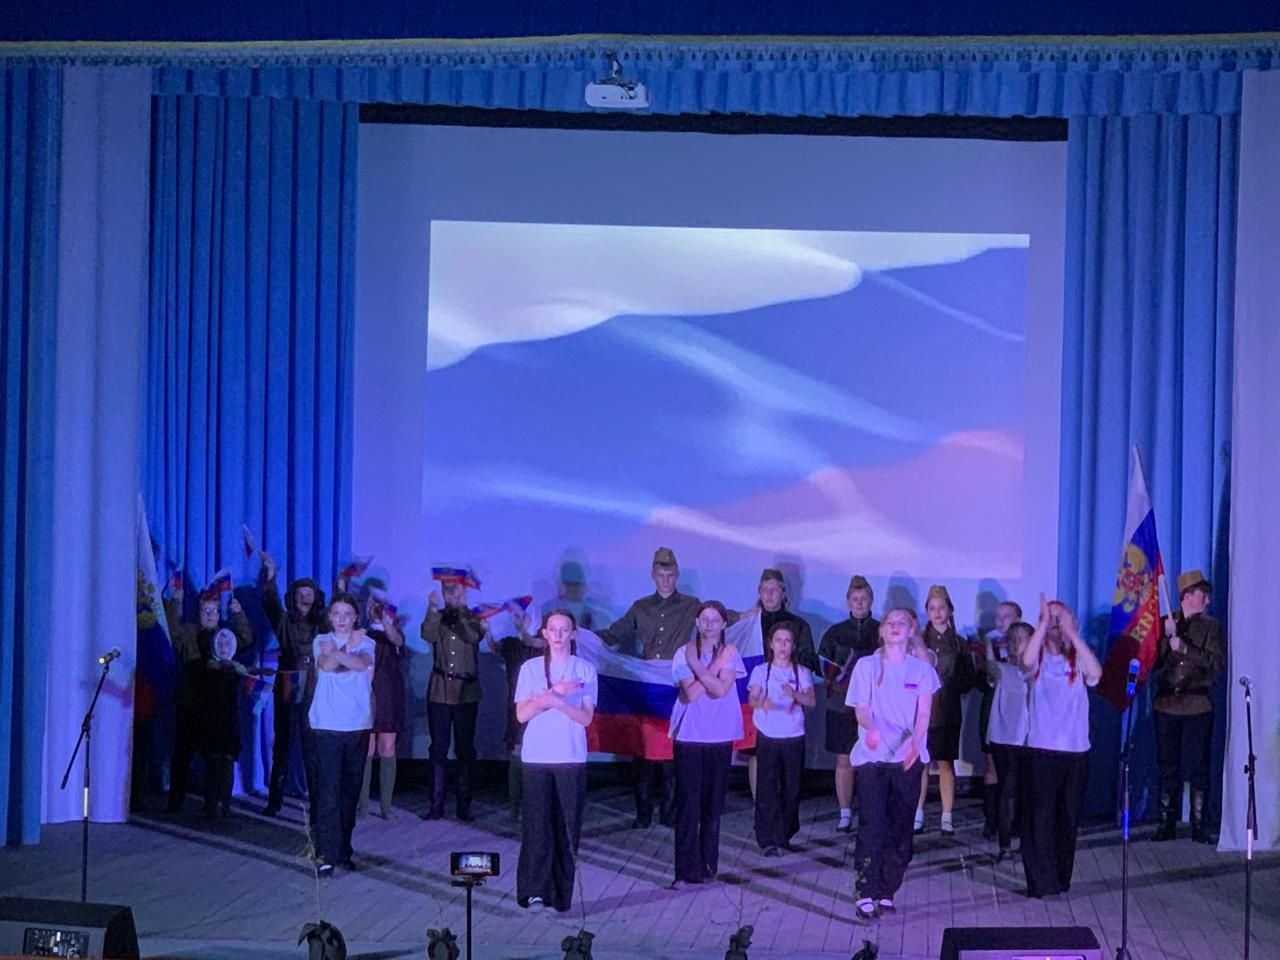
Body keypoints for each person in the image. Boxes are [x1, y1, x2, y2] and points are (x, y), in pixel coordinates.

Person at [596, 547, 701, 829]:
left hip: (674, 684)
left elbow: (718, 617)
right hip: (646, 685)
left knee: (670, 751)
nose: (665, 580)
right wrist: (582, 636)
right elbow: (614, 634)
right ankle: (642, 814)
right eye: (660, 574)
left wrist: (750, 614)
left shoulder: (692, 605)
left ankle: (669, 813)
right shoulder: (640, 607)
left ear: (677, 575)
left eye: (670, 574)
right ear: (652, 575)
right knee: (642, 751)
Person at [847, 607, 940, 919]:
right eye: (890, 622)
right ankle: (865, 891)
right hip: (873, 759)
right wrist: (871, 729)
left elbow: (924, 713)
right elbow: (861, 708)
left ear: (912, 630)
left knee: (901, 828)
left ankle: (887, 891)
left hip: (907, 759)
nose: (895, 626)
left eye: (902, 622)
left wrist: (916, 741)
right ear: (882, 630)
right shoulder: (867, 666)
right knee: (872, 824)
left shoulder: (922, 670)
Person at [514, 610, 598, 912]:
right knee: (536, 827)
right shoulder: (530, 668)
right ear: (545, 634)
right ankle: (533, 891)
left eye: (565, 629)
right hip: (536, 756)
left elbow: (585, 718)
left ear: (573, 633)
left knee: (566, 829)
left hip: (570, 756)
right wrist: (550, 695)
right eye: (553, 629)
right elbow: (522, 714)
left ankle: (561, 895)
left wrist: (557, 701)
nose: (559, 635)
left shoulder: (584, 669)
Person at [1019, 595, 1102, 898]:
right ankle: (1039, 882)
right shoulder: (1037, 655)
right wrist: (1043, 624)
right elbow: (1025, 661)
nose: (1055, 623)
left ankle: (1060, 877)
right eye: (1050, 618)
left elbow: (1096, 674)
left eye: (1060, 618)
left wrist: (1072, 634)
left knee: (1067, 819)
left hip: (1075, 750)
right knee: (1039, 818)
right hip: (1041, 749)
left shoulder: (1078, 657)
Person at [669, 600, 746, 888]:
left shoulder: (730, 653)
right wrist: (711, 665)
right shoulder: (683, 653)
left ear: (724, 624)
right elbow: (690, 695)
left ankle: (707, 865)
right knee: (688, 804)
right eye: (705, 619)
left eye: (715, 620)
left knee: (712, 805)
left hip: (720, 735)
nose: (710, 624)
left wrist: (701, 666)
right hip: (689, 736)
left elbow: (721, 689)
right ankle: (685, 870)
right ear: (697, 622)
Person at [164, 585, 253, 813]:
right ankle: (175, 804)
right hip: (190, 703)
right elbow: (172, 634)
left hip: (216, 709)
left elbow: (246, 639)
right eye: (206, 611)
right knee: (182, 755)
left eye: (214, 611)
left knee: (217, 757)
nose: (210, 615)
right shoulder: (188, 632)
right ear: (199, 612)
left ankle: (215, 804)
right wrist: (174, 603)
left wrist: (239, 614)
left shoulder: (224, 637)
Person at [1152, 569, 1226, 843]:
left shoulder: (1211, 628)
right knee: (1167, 766)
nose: (1207, 599)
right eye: (1202, 594)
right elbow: (1153, 663)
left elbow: (1216, 663)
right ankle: (1166, 822)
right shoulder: (1166, 623)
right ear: (1188, 596)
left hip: (1197, 705)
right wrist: (1165, 640)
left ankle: (1199, 824)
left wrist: (1185, 649)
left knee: (1198, 767)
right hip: (1167, 703)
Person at [308, 592, 375, 876]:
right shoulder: (321, 640)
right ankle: (325, 853)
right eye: (337, 614)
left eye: (348, 614)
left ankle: (343, 849)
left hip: (357, 724)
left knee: (350, 791)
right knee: (328, 791)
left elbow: (360, 664)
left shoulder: (367, 642)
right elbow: (327, 665)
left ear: (355, 616)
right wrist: (346, 649)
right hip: (326, 724)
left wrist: (338, 653)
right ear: (330, 617)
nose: (342, 619)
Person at [260, 553, 327, 820]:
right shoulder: (285, 620)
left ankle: (317, 805)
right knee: (283, 744)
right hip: (288, 683)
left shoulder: (321, 624)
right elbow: (271, 604)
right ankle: (274, 802)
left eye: (309, 593)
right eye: (301, 593)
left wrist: (343, 588)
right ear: (294, 597)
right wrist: (271, 576)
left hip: (312, 685)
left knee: (312, 748)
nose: (305, 597)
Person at [421, 574, 490, 821]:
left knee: (464, 750)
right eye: (448, 590)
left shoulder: (474, 617)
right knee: (438, 749)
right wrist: (432, 609)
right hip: (440, 690)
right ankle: (436, 804)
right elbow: (428, 635)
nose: (452, 594)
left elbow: (472, 637)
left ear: (465, 592)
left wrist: (460, 610)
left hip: (466, 693)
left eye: (456, 590)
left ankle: (464, 805)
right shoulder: (437, 616)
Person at [744, 568, 818, 798]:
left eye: (774, 590)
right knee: (756, 752)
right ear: (759, 592)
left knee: (787, 763)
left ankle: (785, 805)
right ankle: (759, 804)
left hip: (788, 702)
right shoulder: (749, 623)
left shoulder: (798, 625)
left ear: (783, 592)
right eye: (765, 590)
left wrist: (784, 670)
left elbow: (810, 660)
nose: (769, 595)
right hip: (758, 696)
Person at [818, 575, 881, 832]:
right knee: (844, 759)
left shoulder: (882, 631)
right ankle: (845, 812)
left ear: (871, 600)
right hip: (841, 706)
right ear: (848, 601)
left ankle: (871, 811)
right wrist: (852, 663)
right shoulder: (835, 633)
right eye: (855, 598)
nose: (859, 602)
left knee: (872, 761)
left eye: (864, 598)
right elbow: (824, 668)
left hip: (875, 708)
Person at [748, 622, 815, 856]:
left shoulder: (801, 672)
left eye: (787, 641)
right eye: (778, 640)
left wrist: (794, 694)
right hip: (768, 736)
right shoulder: (761, 671)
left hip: (793, 736)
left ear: (793, 645)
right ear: (771, 644)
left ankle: (785, 834)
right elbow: (752, 698)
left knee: (791, 787)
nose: (783, 646)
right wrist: (762, 703)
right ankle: (767, 838)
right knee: (767, 787)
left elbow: (811, 701)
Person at [914, 584, 975, 835]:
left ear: (950, 610)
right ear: (927, 612)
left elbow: (969, 679)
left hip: (948, 711)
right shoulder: (918, 641)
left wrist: (951, 680)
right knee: (921, 763)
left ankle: (947, 815)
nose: (937, 613)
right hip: (922, 713)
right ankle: (917, 812)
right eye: (932, 608)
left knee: (946, 763)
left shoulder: (960, 644)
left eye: (942, 607)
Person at [984, 620, 1032, 860]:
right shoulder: (1001, 670)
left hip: (1028, 740)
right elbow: (989, 666)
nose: (1015, 644)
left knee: (1027, 791)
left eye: (1020, 639)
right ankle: (1004, 844)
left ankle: (1026, 841)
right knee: (1007, 790)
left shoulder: (1037, 672)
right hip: (1004, 740)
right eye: (1011, 639)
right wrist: (990, 644)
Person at [978, 600, 1022, 839]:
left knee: (1017, 767)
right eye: (998, 616)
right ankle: (991, 818)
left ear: (1018, 619)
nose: (1001, 620)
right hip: (993, 703)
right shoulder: (990, 641)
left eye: (1007, 616)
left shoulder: (1028, 641)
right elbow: (991, 675)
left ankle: (1014, 820)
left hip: (1019, 708)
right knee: (991, 764)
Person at [359, 589, 405, 820]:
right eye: (373, 605)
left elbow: (397, 640)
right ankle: (362, 807)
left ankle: (386, 807)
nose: (376, 608)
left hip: (390, 695)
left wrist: (384, 619)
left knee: (387, 748)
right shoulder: (362, 634)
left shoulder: (394, 633)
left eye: (381, 605)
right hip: (366, 695)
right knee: (366, 748)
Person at [198, 627, 250, 818]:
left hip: (230, 723)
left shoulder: (238, 671)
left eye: (227, 643)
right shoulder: (208, 668)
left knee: (227, 764)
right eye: (219, 643)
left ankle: (226, 804)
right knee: (212, 764)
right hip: (212, 722)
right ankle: (210, 804)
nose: (223, 647)